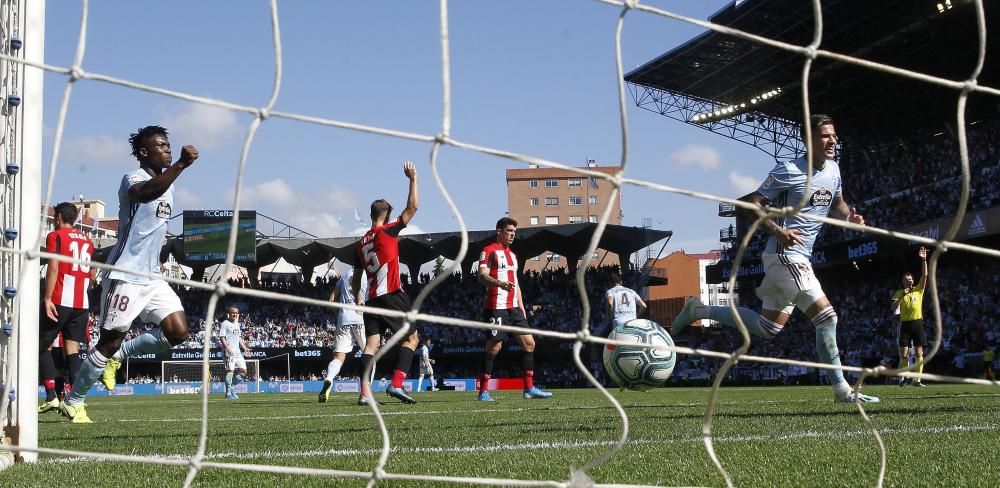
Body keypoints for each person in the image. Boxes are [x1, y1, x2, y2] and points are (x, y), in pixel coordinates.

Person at [671, 114, 879, 404]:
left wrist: (850, 217)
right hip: (785, 255)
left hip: (797, 256)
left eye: (834, 135)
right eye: (825, 136)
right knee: (827, 318)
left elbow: (838, 204)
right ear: (809, 140)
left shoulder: (833, 169)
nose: (832, 141)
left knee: (768, 329)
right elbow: (751, 204)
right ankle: (842, 391)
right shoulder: (788, 170)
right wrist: (778, 231)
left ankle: (698, 311)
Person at [61, 126, 198, 422]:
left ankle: (120, 357)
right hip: (124, 273)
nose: (168, 150)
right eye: (161, 146)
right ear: (144, 152)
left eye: (169, 145)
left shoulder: (168, 182)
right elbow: (146, 194)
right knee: (108, 341)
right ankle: (74, 400)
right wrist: (182, 164)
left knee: (178, 331)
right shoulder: (132, 179)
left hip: (152, 276)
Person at [351, 160, 420, 405]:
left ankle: (364, 393)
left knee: (371, 344)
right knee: (412, 338)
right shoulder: (387, 232)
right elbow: (413, 207)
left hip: (370, 298)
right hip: (390, 292)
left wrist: (358, 297)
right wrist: (412, 178)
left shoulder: (359, 244)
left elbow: (355, 278)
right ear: (387, 216)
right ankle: (396, 384)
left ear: (371, 215)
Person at [476, 217, 553, 402]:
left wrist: (521, 306)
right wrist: (499, 283)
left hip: (514, 309)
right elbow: (482, 276)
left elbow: (516, 284)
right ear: (499, 231)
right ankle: (483, 391)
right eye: (509, 231)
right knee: (494, 348)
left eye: (514, 232)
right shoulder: (488, 251)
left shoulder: (513, 255)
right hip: (496, 307)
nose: (512, 235)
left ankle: (529, 389)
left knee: (529, 343)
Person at [38, 202, 96, 413]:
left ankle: (52, 396)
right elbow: (91, 274)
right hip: (81, 304)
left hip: (60, 300)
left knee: (41, 345)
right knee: (73, 352)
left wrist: (46, 298)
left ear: (59, 216)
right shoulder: (88, 241)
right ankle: (76, 403)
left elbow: (53, 267)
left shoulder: (56, 236)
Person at [318, 267, 374, 403]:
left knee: (338, 357)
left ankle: (329, 378)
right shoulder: (368, 274)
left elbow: (331, 300)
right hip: (360, 318)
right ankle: (366, 393)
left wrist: (337, 315)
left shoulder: (344, 274)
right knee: (371, 354)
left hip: (343, 320)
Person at [891, 247, 929, 387]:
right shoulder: (899, 293)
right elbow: (893, 308)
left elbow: (925, 276)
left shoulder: (919, 290)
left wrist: (924, 260)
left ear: (913, 280)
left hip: (917, 323)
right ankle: (906, 378)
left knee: (919, 352)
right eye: (906, 280)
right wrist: (903, 295)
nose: (909, 281)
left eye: (910, 279)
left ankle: (917, 380)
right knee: (904, 354)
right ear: (903, 281)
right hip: (905, 324)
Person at [219, 306, 251, 399]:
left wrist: (244, 348)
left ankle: (232, 386)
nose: (235, 314)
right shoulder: (225, 323)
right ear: (229, 313)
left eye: (236, 313)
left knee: (243, 371)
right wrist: (227, 348)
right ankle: (228, 393)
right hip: (229, 352)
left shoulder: (237, 324)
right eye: (233, 312)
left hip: (238, 352)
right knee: (230, 372)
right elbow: (222, 337)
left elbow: (239, 337)